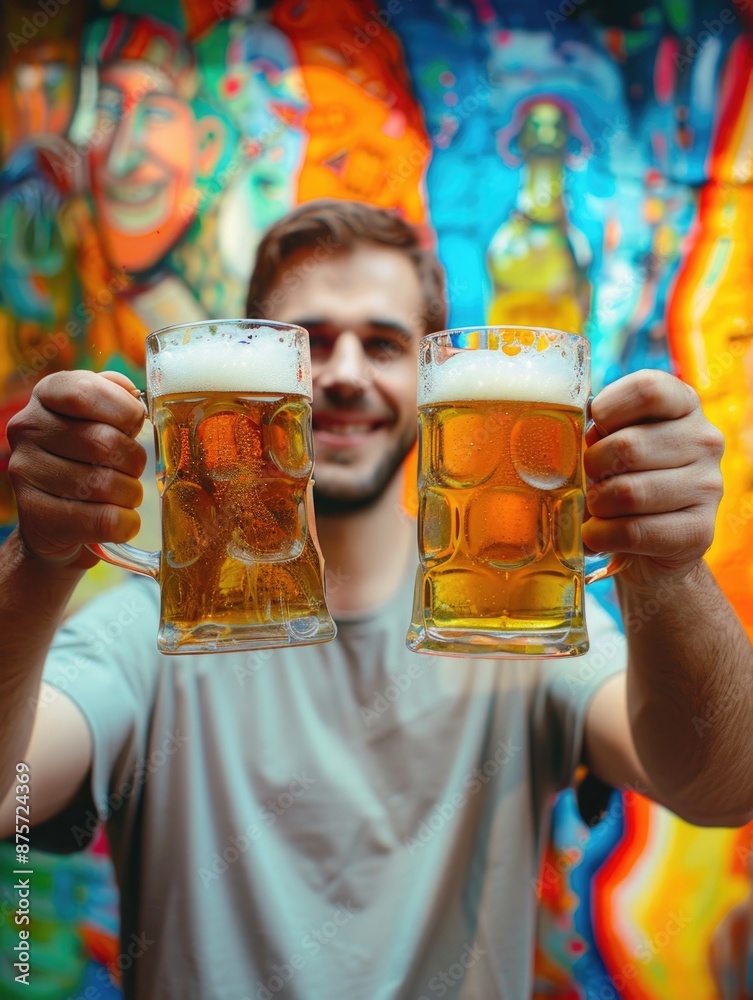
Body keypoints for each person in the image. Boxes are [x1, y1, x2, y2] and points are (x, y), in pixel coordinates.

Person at [1, 199, 752, 1000]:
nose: (346, 374)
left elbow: (722, 788)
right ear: (260, 367)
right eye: (314, 341)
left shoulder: (505, 615)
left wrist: (668, 572)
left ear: (432, 381)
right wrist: (39, 563)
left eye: (384, 344)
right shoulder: (154, 626)